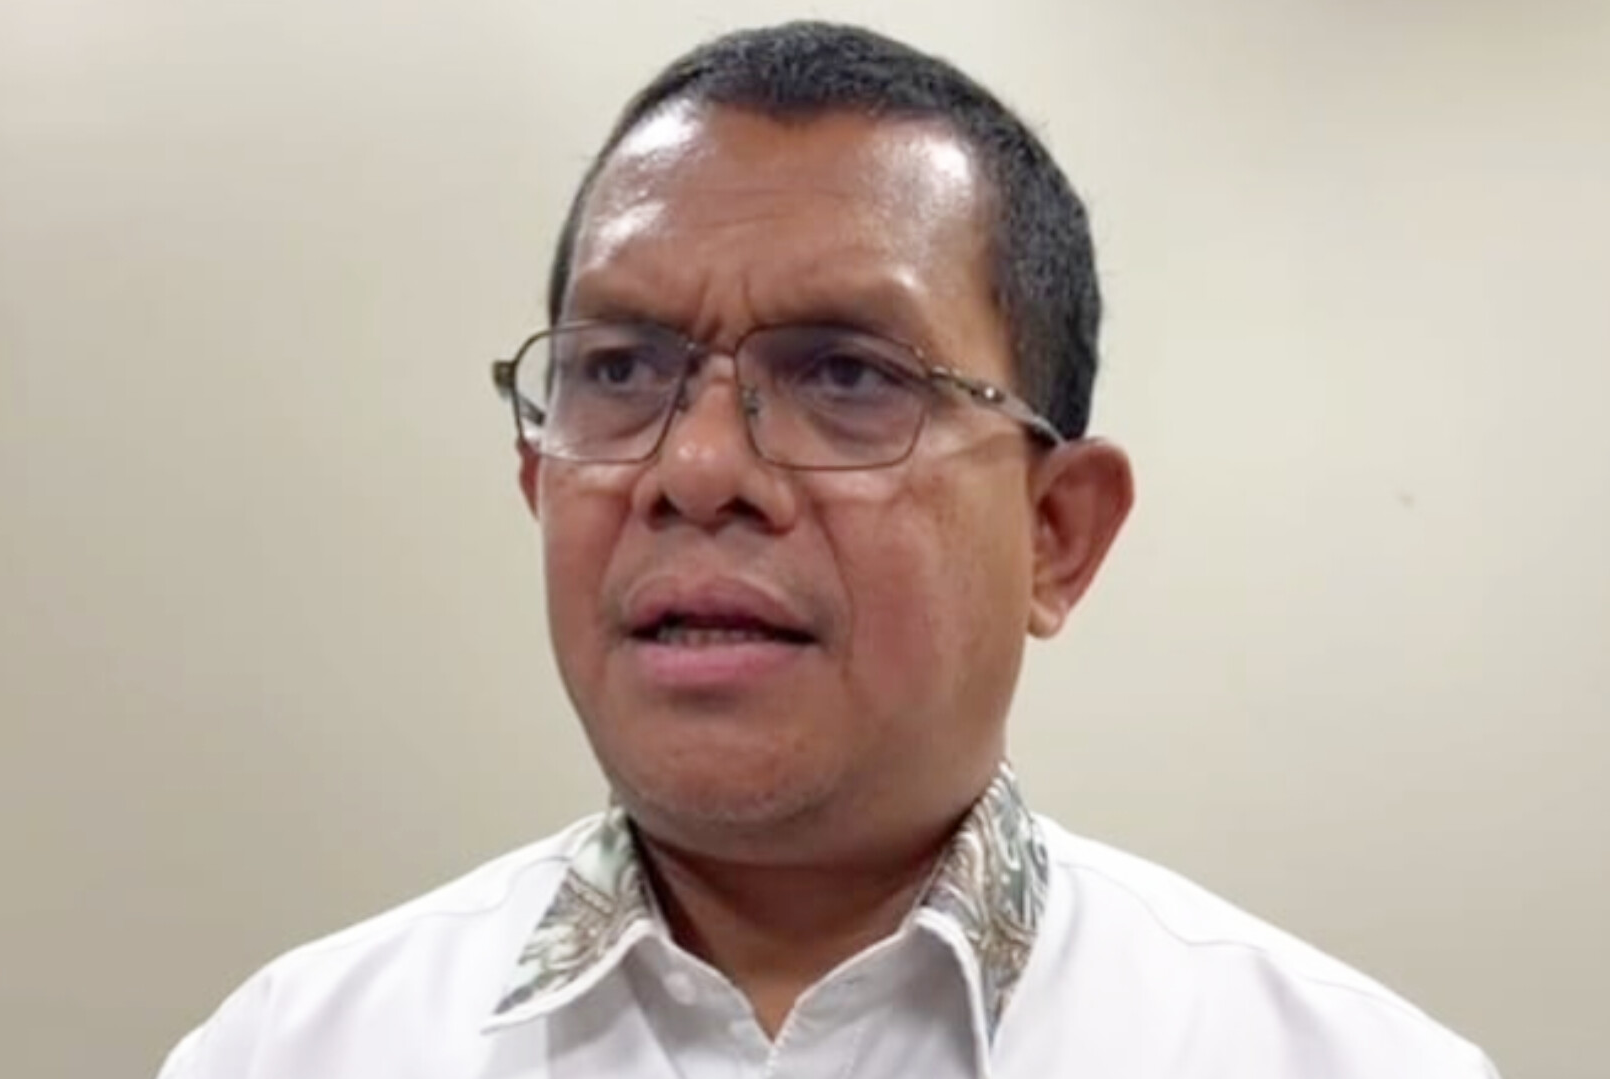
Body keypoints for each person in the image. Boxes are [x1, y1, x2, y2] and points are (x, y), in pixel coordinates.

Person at [158, 21, 1497, 1077]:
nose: (696, 471)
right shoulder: (288, 1053)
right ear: (536, 481)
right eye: (620, 369)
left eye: (847, 376)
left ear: (1057, 535)